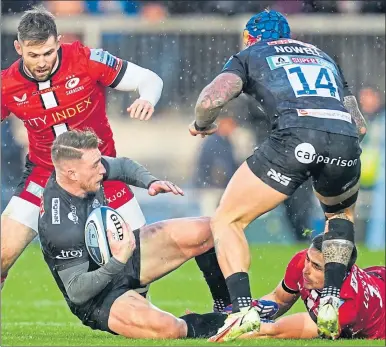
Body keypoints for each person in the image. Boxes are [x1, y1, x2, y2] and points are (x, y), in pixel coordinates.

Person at [188, 9, 367, 339]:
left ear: (252, 37)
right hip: (344, 140)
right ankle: (330, 299)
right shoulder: (322, 56)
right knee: (340, 215)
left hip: (295, 136)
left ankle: (242, 309)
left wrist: (202, 124)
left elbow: (211, 98)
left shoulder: (252, 53)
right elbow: (358, 123)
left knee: (227, 220)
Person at [37, 129, 260, 339]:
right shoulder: (59, 225)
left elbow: (122, 166)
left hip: (123, 254)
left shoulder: (83, 171)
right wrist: (118, 260)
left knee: (209, 228)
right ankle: (222, 323)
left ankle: (231, 307)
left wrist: (150, 182)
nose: (103, 170)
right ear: (71, 173)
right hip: (98, 297)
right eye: (96, 165)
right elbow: (77, 292)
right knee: (169, 329)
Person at [0, 5, 164, 287]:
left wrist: (147, 98)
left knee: (139, 264)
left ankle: (137, 311)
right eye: (33, 55)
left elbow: (149, 78)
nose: (41, 62)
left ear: (58, 42)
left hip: (102, 173)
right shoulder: (7, 85)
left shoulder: (86, 60)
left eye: (48, 53)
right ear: (18, 48)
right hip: (44, 175)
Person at [231, 234, 385, 341]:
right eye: (308, 260)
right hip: (377, 276)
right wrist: (245, 313)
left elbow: (274, 331)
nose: (305, 269)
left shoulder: (347, 304)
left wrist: (225, 330)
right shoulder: (302, 261)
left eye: (317, 267)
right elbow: (279, 299)